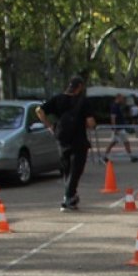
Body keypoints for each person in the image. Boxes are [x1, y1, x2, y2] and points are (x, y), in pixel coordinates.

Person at [37, 76, 96, 211]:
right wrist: (89, 124)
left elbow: (39, 110)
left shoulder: (57, 99)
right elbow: (91, 122)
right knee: (76, 170)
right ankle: (67, 198)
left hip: (62, 139)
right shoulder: (83, 102)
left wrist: (50, 126)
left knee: (67, 170)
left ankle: (71, 197)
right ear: (79, 87)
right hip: (79, 140)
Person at [102, 93, 138, 163]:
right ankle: (131, 157)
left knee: (116, 142)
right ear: (118, 98)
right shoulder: (114, 106)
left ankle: (105, 156)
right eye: (122, 98)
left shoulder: (117, 106)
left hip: (120, 128)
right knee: (123, 142)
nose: (123, 100)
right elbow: (113, 117)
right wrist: (114, 128)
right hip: (118, 128)